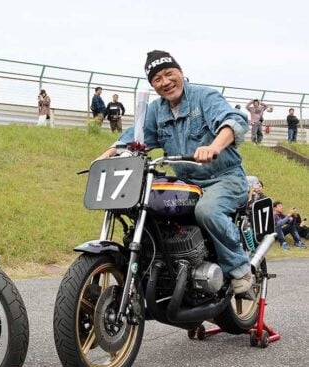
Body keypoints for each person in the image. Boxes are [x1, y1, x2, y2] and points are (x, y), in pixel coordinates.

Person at [94, 50, 254, 297]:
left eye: (169, 74)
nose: (165, 82)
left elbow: (234, 121)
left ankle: (239, 268)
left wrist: (214, 147)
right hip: (187, 183)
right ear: (152, 85)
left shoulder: (204, 97)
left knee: (207, 211)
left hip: (224, 178)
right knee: (154, 209)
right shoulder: (156, 110)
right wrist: (105, 157)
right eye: (157, 79)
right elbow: (134, 138)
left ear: (181, 72)